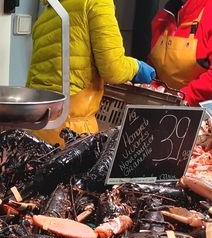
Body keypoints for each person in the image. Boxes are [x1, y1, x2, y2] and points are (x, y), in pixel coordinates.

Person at [26, 0, 156, 147]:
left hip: (38, 128)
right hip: (72, 133)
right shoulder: (97, 2)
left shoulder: (47, 14)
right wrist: (136, 67)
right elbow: (113, 70)